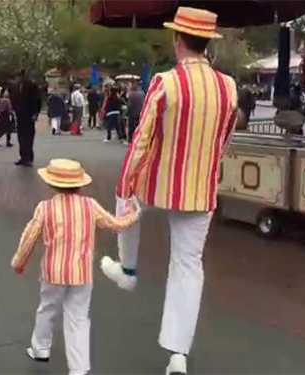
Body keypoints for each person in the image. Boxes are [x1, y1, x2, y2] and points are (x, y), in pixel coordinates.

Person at [101, 8, 238, 375]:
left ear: (178, 39)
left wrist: (127, 179)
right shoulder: (229, 87)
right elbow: (225, 139)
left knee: (126, 201)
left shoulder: (166, 82)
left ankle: (128, 270)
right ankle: (178, 353)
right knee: (188, 265)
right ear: (207, 42)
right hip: (200, 188)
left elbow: (142, 137)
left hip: (158, 182)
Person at [12, 159, 139, 375]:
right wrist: (132, 214)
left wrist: (19, 262)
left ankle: (40, 347)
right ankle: (78, 368)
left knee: (47, 307)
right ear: (80, 184)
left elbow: (29, 237)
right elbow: (114, 224)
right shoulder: (90, 205)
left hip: (53, 270)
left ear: (51, 184)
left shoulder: (45, 208)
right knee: (78, 317)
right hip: (81, 272)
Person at [10, 70, 42, 167]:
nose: (18, 79)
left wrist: (36, 113)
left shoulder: (31, 86)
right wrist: (14, 109)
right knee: (21, 136)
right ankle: (23, 156)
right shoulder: (15, 87)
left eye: (20, 77)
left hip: (29, 114)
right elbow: (13, 99)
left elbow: (37, 100)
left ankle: (28, 157)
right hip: (20, 114)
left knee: (28, 136)